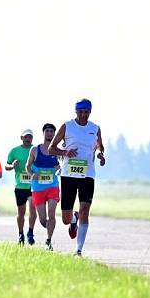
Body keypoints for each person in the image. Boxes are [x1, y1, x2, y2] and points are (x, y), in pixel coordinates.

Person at [48, 99, 105, 256]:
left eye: (86, 112)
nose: (83, 115)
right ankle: (73, 220)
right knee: (65, 218)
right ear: (76, 112)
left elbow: (100, 146)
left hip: (87, 175)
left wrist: (100, 154)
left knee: (85, 210)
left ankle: (78, 249)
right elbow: (51, 148)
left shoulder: (95, 128)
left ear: (90, 112)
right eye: (80, 112)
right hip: (68, 175)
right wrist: (65, 152)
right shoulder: (67, 126)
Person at [26, 123, 61, 251]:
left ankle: (49, 240)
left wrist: (60, 170)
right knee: (42, 219)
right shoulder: (35, 149)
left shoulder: (57, 151)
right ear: (43, 133)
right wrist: (32, 174)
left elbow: (59, 167)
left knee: (52, 214)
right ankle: (49, 228)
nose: (49, 133)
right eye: (47, 131)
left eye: (52, 131)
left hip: (53, 186)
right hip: (38, 188)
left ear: (54, 134)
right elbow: (27, 166)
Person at [6, 129, 36, 245]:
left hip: (33, 185)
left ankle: (30, 232)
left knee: (33, 209)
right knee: (21, 212)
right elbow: (6, 165)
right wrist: (12, 166)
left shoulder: (35, 150)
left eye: (30, 137)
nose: (28, 139)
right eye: (26, 137)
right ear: (21, 138)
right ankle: (20, 234)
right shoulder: (14, 151)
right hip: (19, 186)